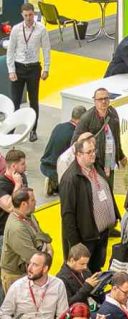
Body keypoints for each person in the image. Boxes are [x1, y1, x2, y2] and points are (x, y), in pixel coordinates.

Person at [61, 135, 120, 273]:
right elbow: (67, 215)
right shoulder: (70, 180)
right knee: (85, 274)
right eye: (89, 152)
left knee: (97, 268)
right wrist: (76, 245)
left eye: (94, 151)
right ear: (78, 154)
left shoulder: (95, 167)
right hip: (86, 239)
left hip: (101, 234)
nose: (93, 155)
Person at [6, 3, 50, 142]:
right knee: (15, 101)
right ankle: (10, 130)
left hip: (33, 68)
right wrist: (11, 70)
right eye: (26, 15)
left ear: (34, 13)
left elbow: (46, 50)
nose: (29, 18)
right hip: (19, 68)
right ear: (22, 15)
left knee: (33, 101)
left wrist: (46, 68)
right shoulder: (16, 29)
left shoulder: (41, 29)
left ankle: (33, 130)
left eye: (31, 15)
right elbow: (10, 51)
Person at [73, 87, 128, 188]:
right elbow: (75, 142)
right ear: (94, 101)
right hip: (96, 164)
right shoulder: (87, 118)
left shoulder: (113, 113)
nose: (104, 101)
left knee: (109, 190)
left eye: (106, 98)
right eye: (100, 99)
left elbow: (116, 137)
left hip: (110, 162)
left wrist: (121, 156)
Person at [1, 252, 67, 319]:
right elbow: (4, 313)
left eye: (35, 265)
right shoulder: (17, 286)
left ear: (45, 269)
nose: (29, 268)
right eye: (29, 263)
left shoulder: (58, 285)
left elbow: (62, 315)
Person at [0, 189, 51, 289]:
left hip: (27, 271)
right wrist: (49, 254)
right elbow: (32, 258)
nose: (36, 201)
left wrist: (48, 246)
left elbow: (41, 234)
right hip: (16, 277)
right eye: (32, 200)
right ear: (23, 204)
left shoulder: (28, 216)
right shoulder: (17, 228)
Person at [41, 105, 86, 195]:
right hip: (58, 170)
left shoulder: (59, 126)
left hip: (44, 166)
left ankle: (54, 182)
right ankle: (57, 182)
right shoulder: (75, 135)